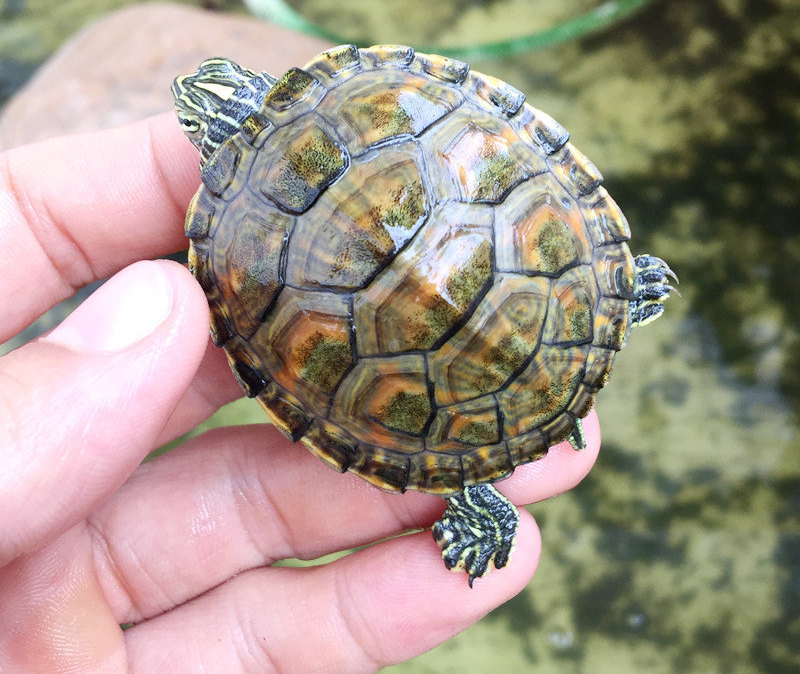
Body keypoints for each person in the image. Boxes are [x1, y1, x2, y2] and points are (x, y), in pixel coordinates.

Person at [0, 113, 600, 672]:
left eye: (201, 120)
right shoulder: (366, 103)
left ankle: (474, 488)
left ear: (211, 141)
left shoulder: (236, 232)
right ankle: (600, 298)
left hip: (441, 414)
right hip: (561, 323)